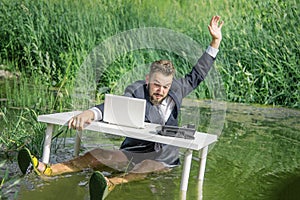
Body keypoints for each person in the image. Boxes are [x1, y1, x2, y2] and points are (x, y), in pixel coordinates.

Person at [18, 16, 224, 199]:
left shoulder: (177, 89)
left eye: (165, 87)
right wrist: (90, 112)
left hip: (163, 159)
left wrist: (215, 42)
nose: (161, 91)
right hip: (133, 151)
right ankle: (48, 170)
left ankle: (110, 184)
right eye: (156, 85)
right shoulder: (136, 90)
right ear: (147, 80)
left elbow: (198, 73)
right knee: (96, 154)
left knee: (146, 167)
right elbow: (112, 107)